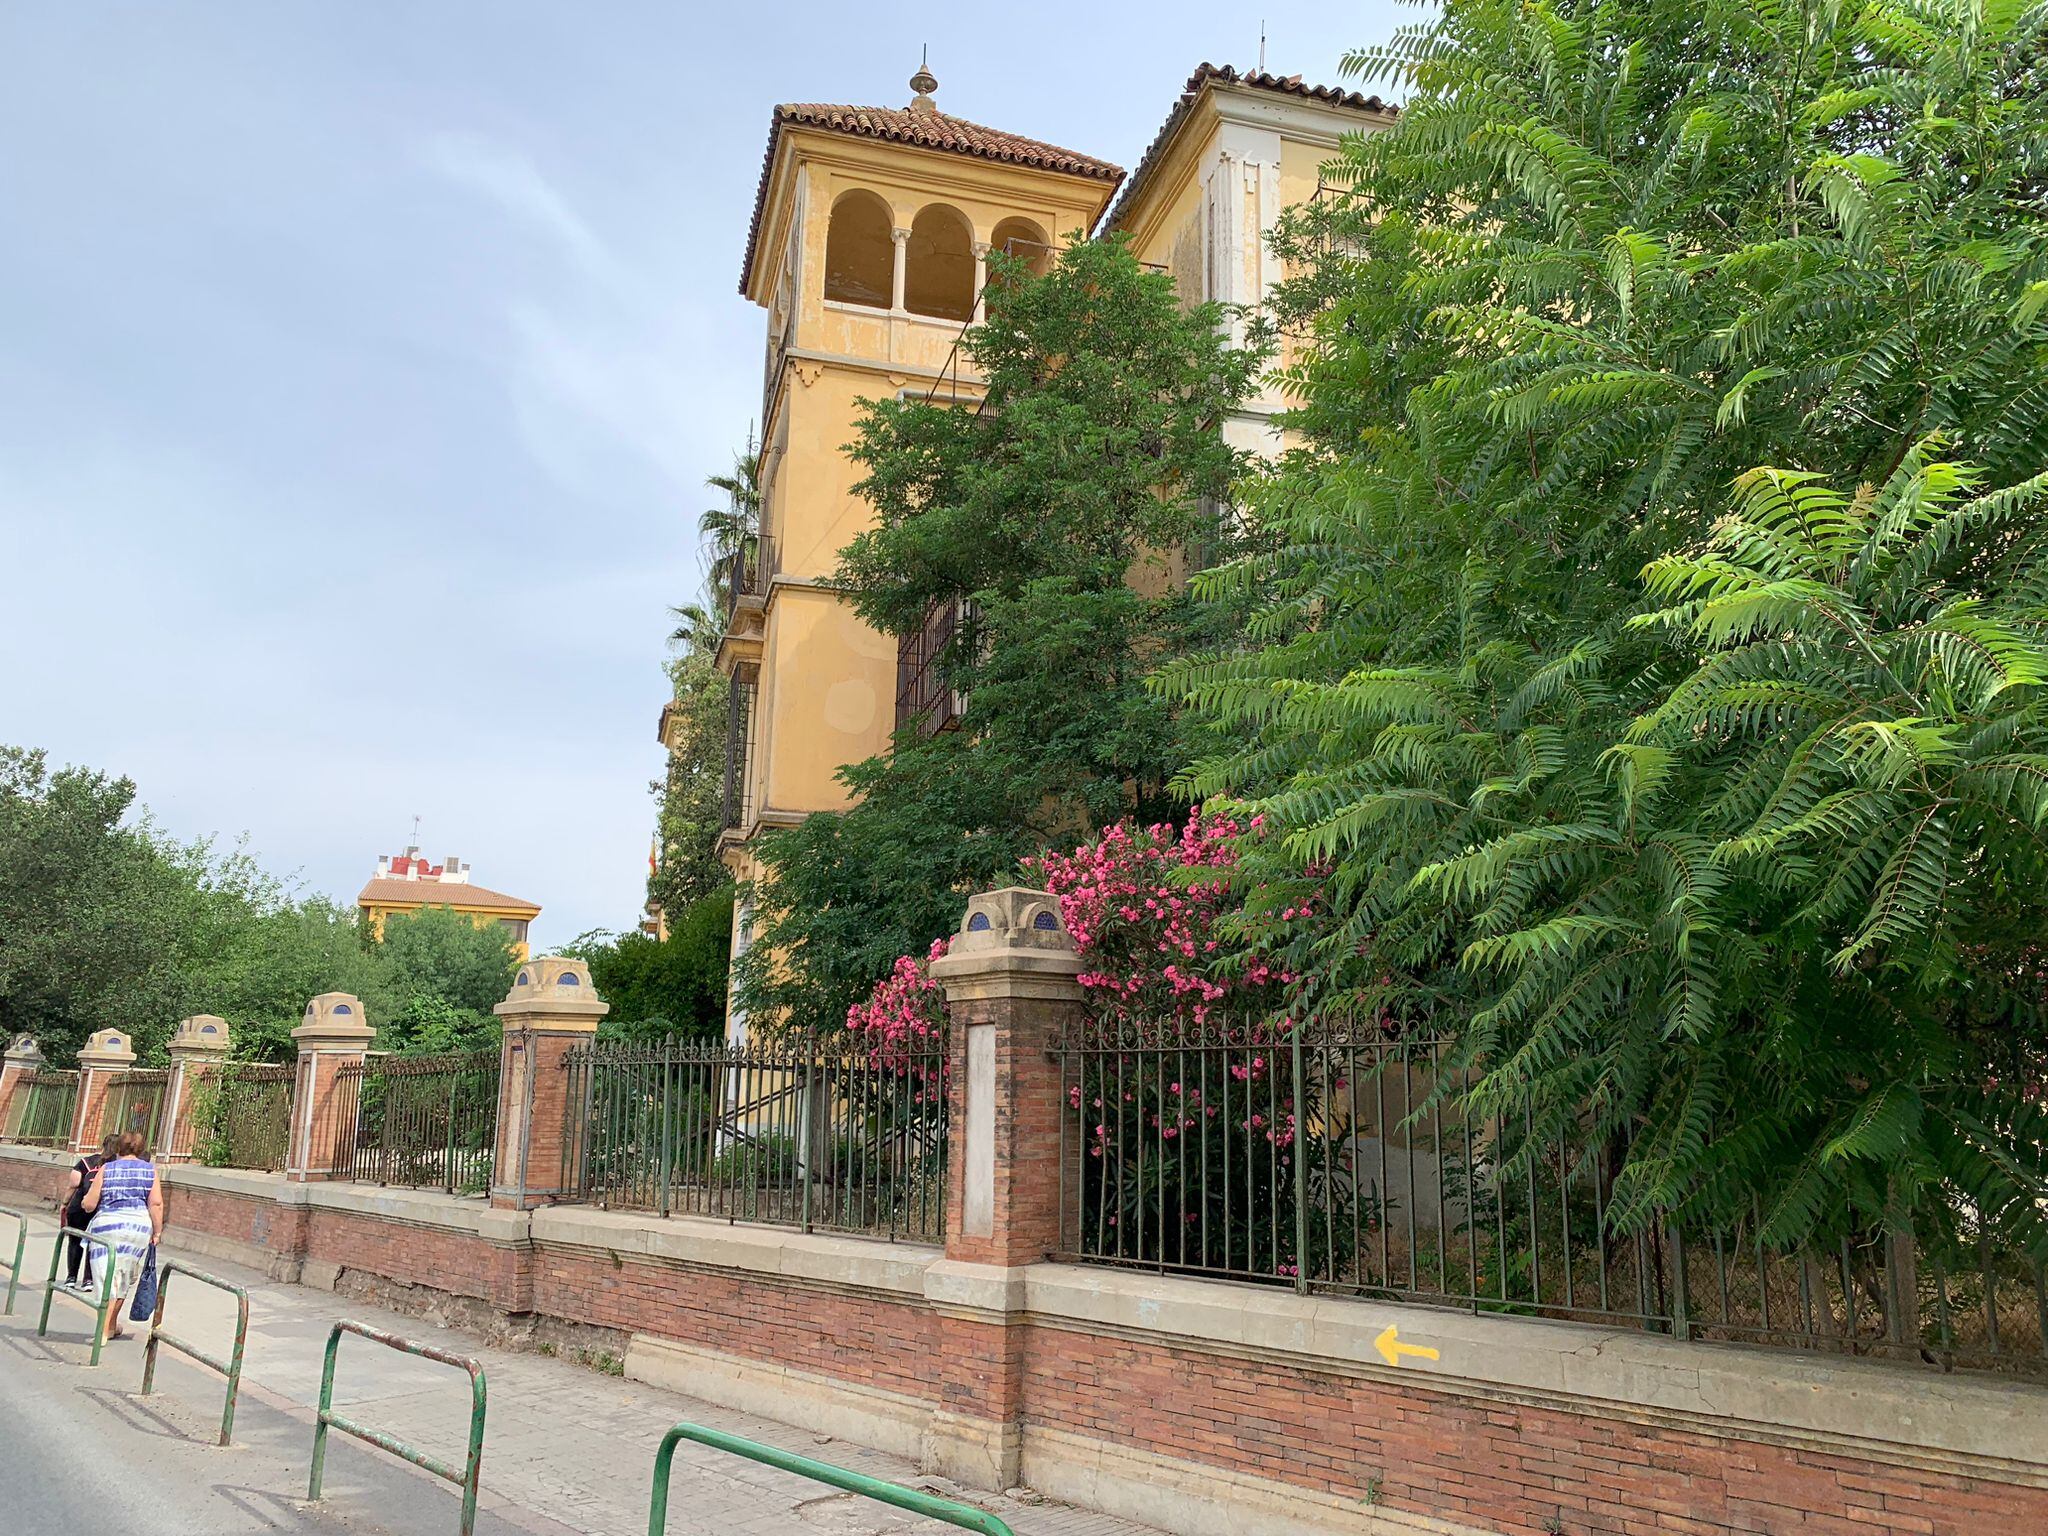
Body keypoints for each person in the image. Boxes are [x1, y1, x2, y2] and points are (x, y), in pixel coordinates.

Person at [80, 1130, 163, 1338]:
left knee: (104, 1275)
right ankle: (110, 1326)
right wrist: (157, 1231)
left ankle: (103, 1328)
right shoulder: (150, 1171)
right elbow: (156, 1203)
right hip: (137, 1227)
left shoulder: (107, 1169)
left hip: (107, 1226)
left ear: (118, 1148)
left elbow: (89, 1204)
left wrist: (85, 1203)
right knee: (123, 1276)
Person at [60, 1135, 119, 1293]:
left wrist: (64, 1203)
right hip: (100, 1210)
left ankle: (71, 1278)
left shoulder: (87, 1162)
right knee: (93, 1243)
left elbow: (73, 1184)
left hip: (79, 1207)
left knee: (75, 1241)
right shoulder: (116, 1166)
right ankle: (88, 1280)